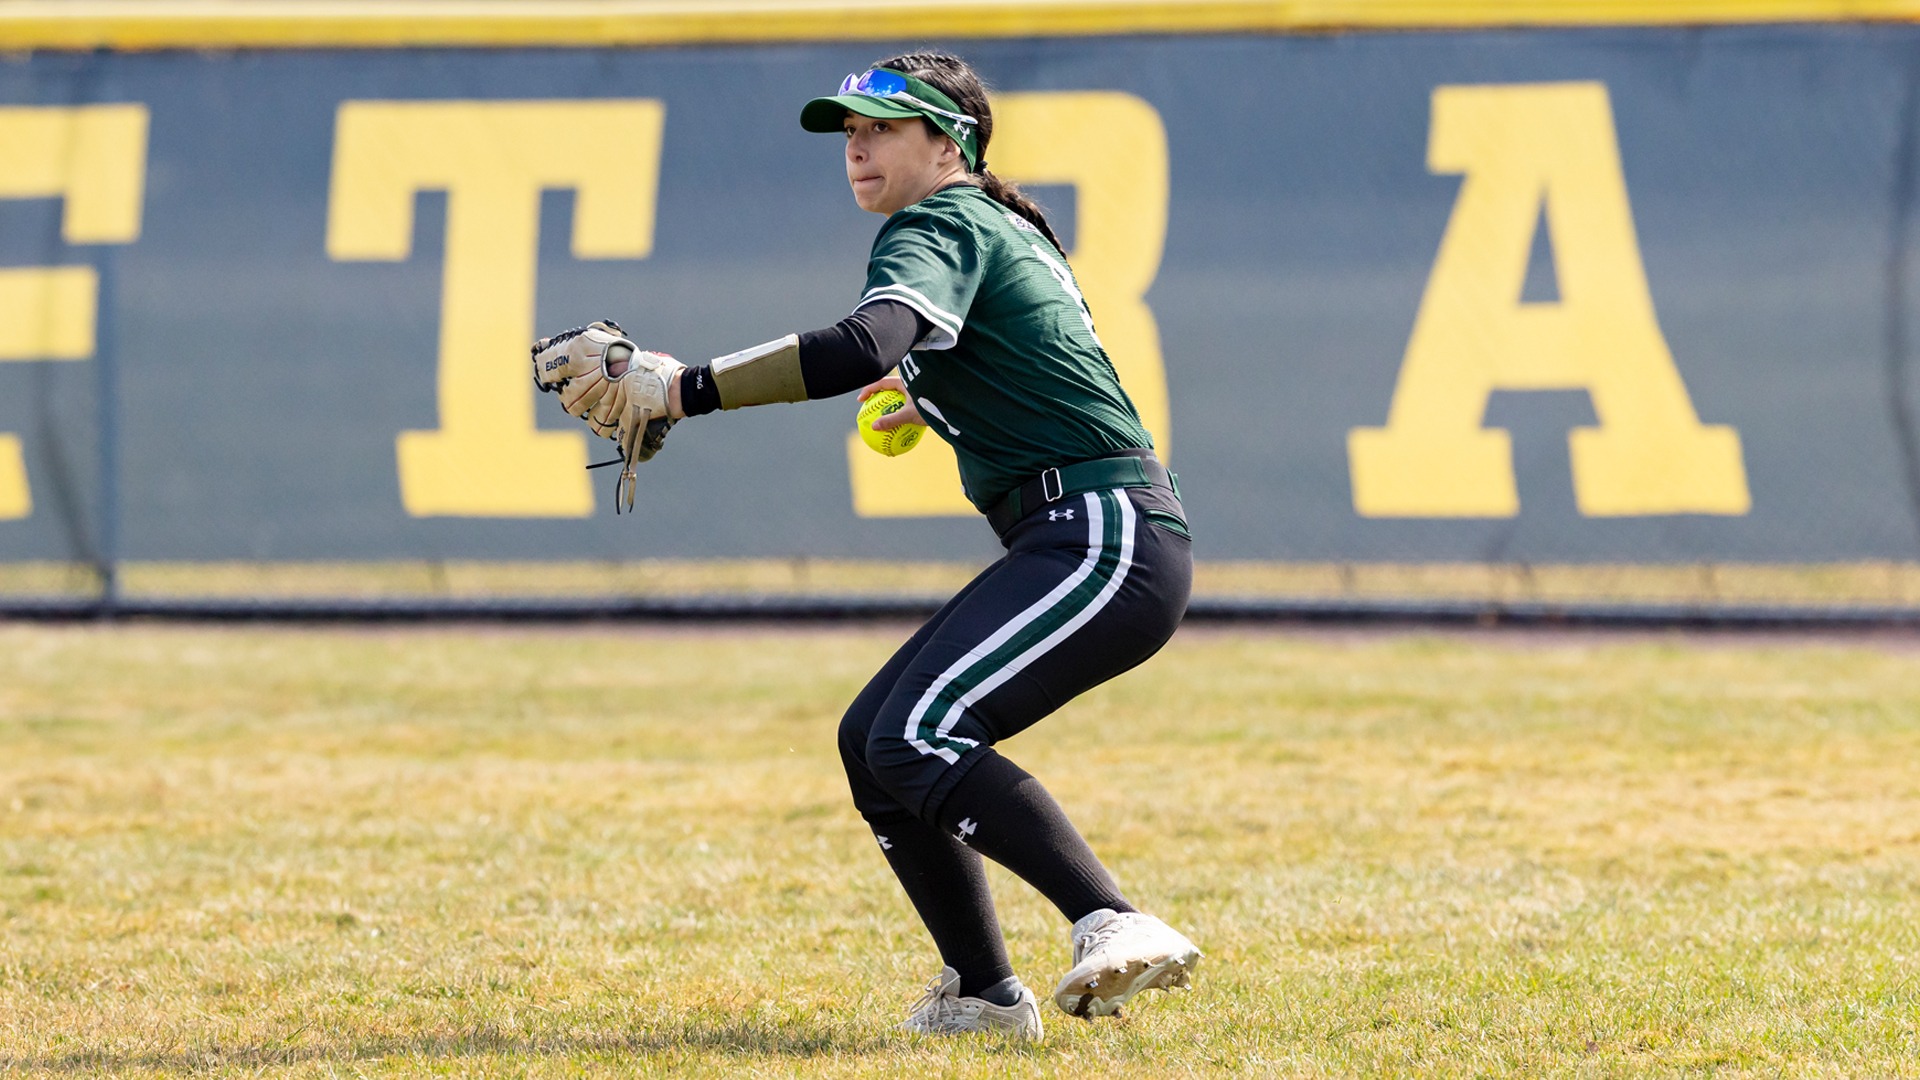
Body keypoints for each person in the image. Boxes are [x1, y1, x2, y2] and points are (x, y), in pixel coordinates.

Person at [532, 51, 1199, 1040]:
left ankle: (1112, 919)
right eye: (846, 133)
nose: (856, 148)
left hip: (1100, 532)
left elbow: (862, 343)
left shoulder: (944, 219)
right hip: (1084, 527)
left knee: (915, 734)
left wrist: (679, 388)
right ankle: (981, 995)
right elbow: (999, 357)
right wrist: (932, 396)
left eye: (880, 129)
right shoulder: (988, 224)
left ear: (947, 143)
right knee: (872, 745)